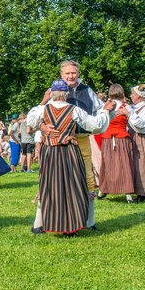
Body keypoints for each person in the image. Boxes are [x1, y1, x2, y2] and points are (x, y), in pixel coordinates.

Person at [28, 79, 113, 235]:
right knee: (72, 186)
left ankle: (43, 224)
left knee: (49, 186)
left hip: (50, 152)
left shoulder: (43, 110)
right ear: (66, 94)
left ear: (52, 93)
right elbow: (94, 125)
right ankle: (70, 225)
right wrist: (104, 111)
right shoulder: (74, 110)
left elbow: (31, 121)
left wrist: (43, 113)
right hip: (69, 152)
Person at [40, 60, 105, 230]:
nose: (71, 76)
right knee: (53, 180)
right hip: (59, 142)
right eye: (67, 73)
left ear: (78, 73)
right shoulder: (55, 91)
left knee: (88, 179)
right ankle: (42, 221)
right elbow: (40, 116)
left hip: (81, 138)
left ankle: (90, 221)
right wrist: (44, 128)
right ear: (61, 74)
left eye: (73, 73)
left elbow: (99, 110)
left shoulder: (87, 91)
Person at [98, 84, 136, 202]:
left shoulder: (105, 107)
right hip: (122, 138)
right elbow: (133, 123)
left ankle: (102, 191)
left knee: (107, 164)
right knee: (125, 164)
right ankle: (128, 195)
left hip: (108, 138)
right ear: (122, 93)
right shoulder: (127, 107)